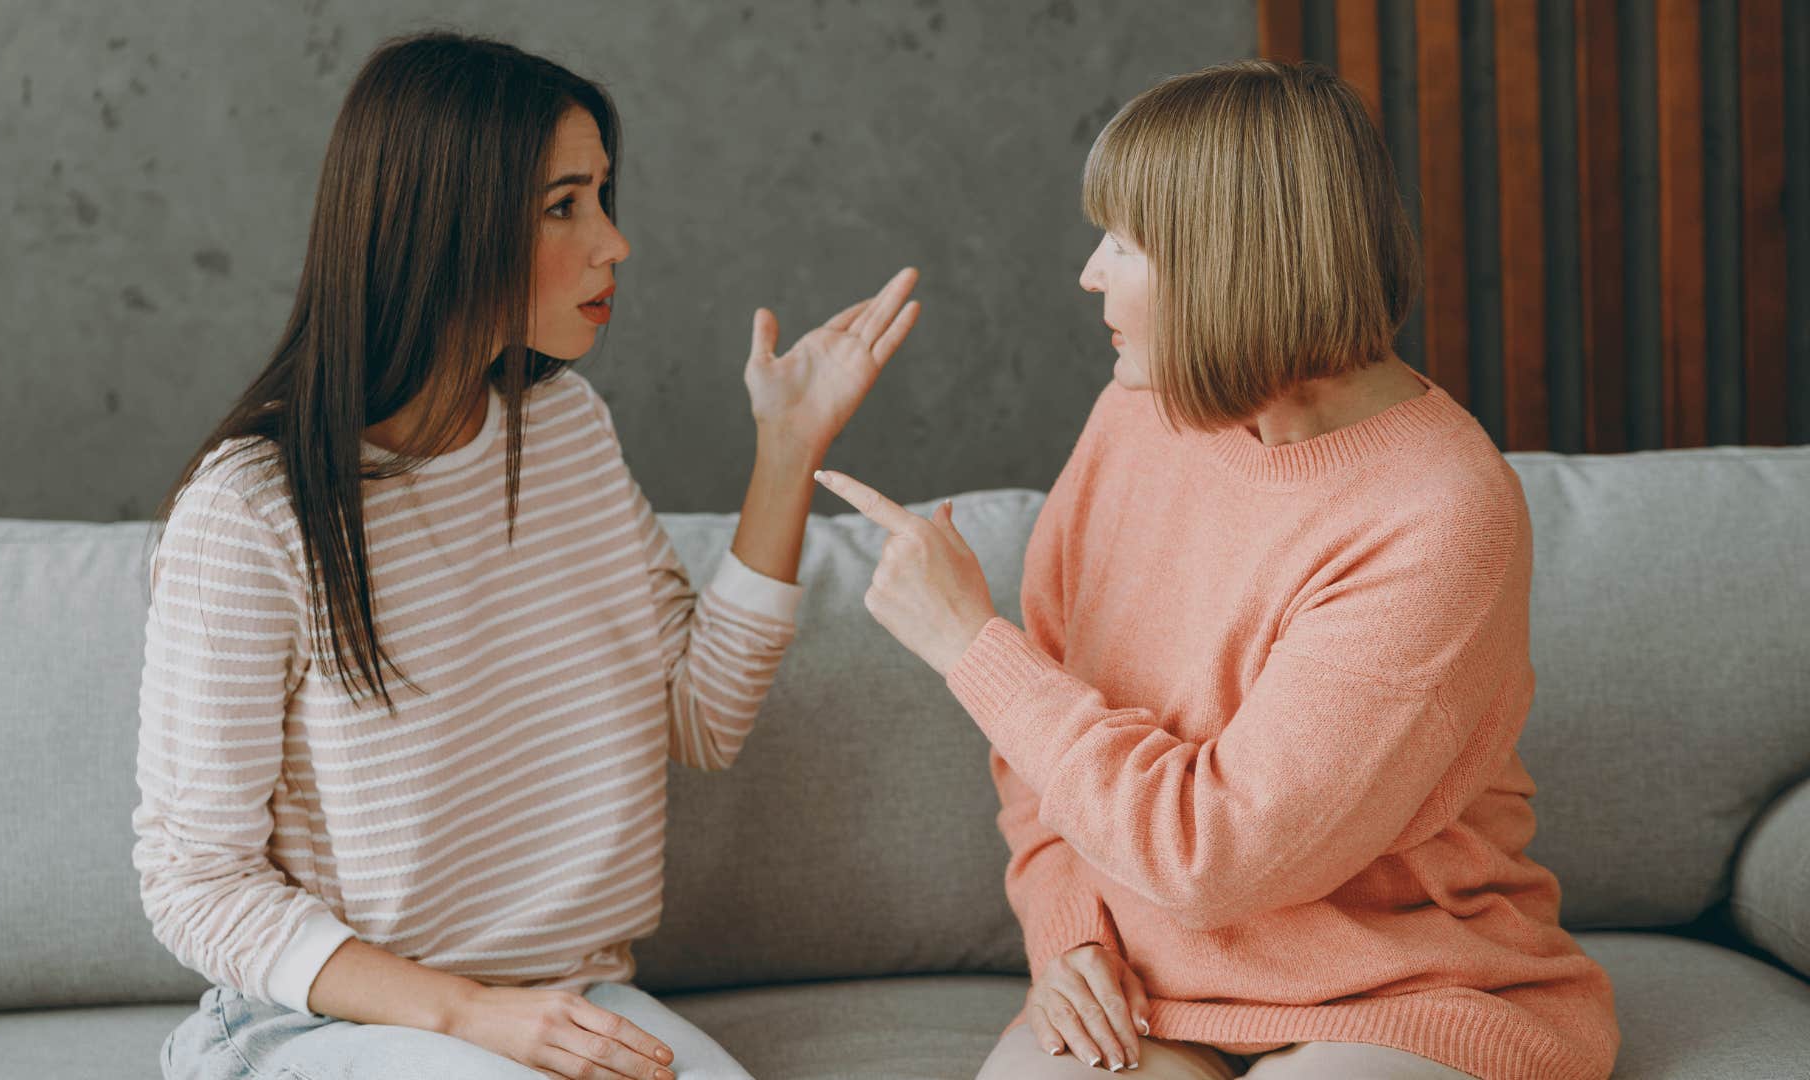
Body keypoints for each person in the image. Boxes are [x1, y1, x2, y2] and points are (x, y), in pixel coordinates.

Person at [134, 30, 919, 1080]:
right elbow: (196, 884)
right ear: (442, 226)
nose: (614, 243)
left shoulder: (564, 431)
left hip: (568, 999)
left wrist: (787, 452)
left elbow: (701, 715)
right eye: (564, 206)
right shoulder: (253, 510)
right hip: (327, 1026)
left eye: (603, 195)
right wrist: (471, 1019)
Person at [814, 59, 1620, 1080]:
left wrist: (970, 645)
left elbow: (1215, 856)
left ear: (1227, 260)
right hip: (1146, 990)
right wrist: (1068, 934)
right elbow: (1042, 740)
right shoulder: (1135, 418)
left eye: (1123, 243)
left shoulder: (1441, 513)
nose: (1090, 275)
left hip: (1405, 994)